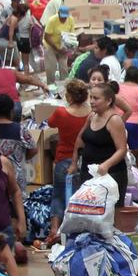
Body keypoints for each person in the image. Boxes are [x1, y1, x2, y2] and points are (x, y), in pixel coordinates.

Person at [68, 82, 130, 208]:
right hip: (88, 172)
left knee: (107, 213)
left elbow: (122, 149)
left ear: (108, 101)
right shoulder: (92, 116)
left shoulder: (114, 120)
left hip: (111, 175)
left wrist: (106, 165)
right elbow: (80, 139)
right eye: (90, 97)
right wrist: (74, 163)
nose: (91, 101)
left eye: (96, 98)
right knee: (86, 211)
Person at [45, 82, 92, 243]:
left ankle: (54, 230)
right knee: (81, 198)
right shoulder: (91, 114)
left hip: (63, 158)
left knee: (58, 194)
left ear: (69, 96)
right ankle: (76, 232)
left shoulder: (61, 112)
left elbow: (50, 123)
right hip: (84, 160)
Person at [0, 94, 37, 194]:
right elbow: (33, 150)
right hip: (15, 179)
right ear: (11, 111)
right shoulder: (20, 129)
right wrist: (21, 159)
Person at [43, 4, 75, 84]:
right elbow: (47, 37)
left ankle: (65, 85)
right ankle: (50, 85)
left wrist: (69, 48)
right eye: (62, 17)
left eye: (65, 17)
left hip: (63, 45)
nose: (63, 19)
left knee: (64, 67)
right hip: (50, 45)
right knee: (51, 67)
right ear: (58, 13)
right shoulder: (52, 20)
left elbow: (71, 35)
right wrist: (57, 48)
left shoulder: (70, 20)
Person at [8, 3, 36, 73]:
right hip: (26, 40)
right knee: (26, 63)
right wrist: (30, 43)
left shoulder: (15, 17)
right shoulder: (29, 18)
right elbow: (30, 31)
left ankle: (17, 76)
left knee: (16, 62)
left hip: (17, 39)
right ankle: (26, 76)